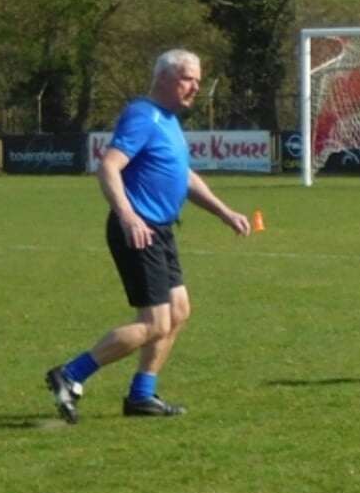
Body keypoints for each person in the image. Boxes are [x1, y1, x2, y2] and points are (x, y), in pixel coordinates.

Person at [43, 50, 250, 423]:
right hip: (139, 231)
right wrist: (128, 216)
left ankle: (141, 395)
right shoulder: (143, 115)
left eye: (199, 82)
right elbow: (108, 167)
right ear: (165, 78)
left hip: (161, 230)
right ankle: (69, 374)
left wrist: (224, 211)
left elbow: (182, 176)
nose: (195, 88)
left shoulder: (169, 121)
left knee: (179, 311)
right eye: (189, 79)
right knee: (154, 322)